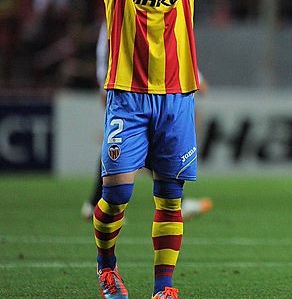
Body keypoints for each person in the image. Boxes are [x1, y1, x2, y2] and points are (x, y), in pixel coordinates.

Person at [93, 0, 212, 299]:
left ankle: (165, 288)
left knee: (170, 198)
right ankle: (107, 266)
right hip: (128, 97)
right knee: (117, 194)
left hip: (178, 99)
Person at [81, 22, 213, 223]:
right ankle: (98, 203)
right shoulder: (125, 7)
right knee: (132, 148)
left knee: (127, 147)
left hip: (139, 88)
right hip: (134, 91)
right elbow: (163, 44)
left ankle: (94, 202)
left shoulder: (141, 5)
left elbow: (169, 43)